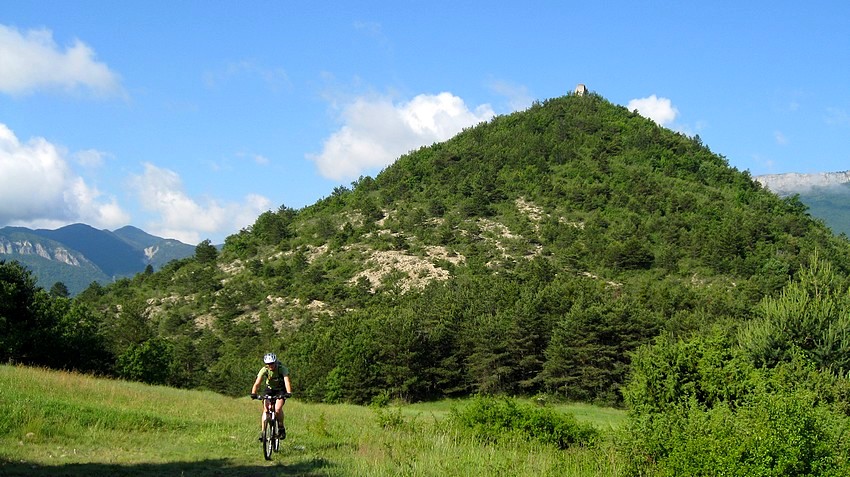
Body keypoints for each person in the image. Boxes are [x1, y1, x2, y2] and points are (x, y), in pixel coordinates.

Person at [250, 352, 292, 440]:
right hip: (269, 389)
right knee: (266, 409)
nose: (271, 366)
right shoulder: (264, 370)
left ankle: (281, 427)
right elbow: (257, 382)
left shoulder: (282, 369)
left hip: (280, 389)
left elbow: (286, 381)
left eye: (272, 363)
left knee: (277, 409)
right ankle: (263, 432)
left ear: (275, 362)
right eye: (268, 364)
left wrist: (288, 392)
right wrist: (254, 393)